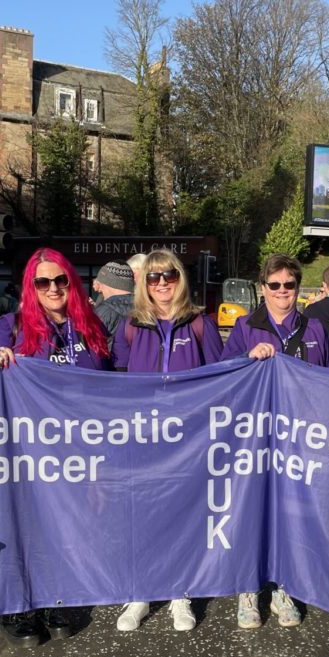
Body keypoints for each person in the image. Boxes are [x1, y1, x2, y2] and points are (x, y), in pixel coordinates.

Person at [0, 248, 112, 646]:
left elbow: (113, 388)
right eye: (44, 282)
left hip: (80, 449)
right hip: (29, 452)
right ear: (32, 287)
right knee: (24, 526)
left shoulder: (89, 325)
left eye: (60, 280)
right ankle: (18, 606)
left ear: (71, 282)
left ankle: (53, 595)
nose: (54, 287)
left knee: (63, 526)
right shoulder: (12, 326)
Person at [223, 253, 329, 629]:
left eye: (289, 285)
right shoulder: (244, 326)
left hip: (299, 440)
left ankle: (283, 585)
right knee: (251, 511)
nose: (282, 292)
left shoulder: (315, 329)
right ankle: (247, 587)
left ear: (297, 288)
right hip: (254, 440)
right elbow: (224, 375)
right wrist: (247, 357)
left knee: (290, 513)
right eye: (275, 285)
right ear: (263, 288)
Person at [112, 250, 223, 634]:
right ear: (144, 282)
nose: (161, 283)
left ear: (181, 278)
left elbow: (220, 377)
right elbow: (116, 383)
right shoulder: (130, 325)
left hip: (187, 439)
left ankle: (179, 591)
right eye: (154, 277)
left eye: (169, 276)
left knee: (182, 515)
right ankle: (140, 591)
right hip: (142, 437)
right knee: (140, 514)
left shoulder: (199, 324)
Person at [92, 261, 135, 340]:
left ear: (109, 283)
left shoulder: (104, 311)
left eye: (101, 284)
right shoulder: (147, 306)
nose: (99, 290)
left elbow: (92, 345)